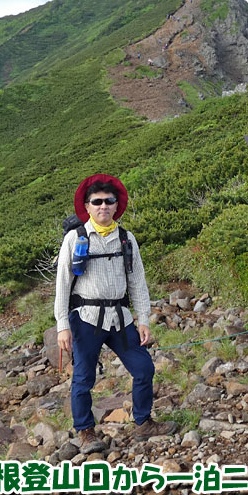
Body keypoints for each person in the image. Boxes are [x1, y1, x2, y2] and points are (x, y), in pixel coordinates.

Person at [54, 174, 177, 454]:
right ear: (87, 206)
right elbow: (62, 284)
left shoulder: (126, 238)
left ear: (116, 204)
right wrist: (63, 325)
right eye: (97, 202)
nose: (103, 207)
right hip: (85, 318)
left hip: (120, 317)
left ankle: (143, 422)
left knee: (144, 368)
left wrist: (143, 319)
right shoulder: (76, 238)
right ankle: (85, 431)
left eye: (109, 201)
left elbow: (137, 281)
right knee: (84, 378)